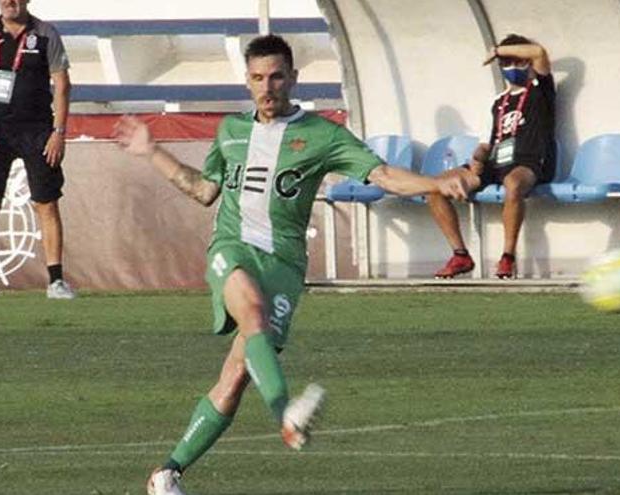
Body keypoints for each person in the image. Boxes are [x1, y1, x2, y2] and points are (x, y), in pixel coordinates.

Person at [113, 34, 469, 495]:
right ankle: (285, 415)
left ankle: (166, 474)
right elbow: (204, 191)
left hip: (283, 264)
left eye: (277, 76)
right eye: (258, 77)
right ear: (247, 80)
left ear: (293, 79)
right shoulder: (231, 131)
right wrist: (152, 151)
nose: (268, 87)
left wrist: (435, 182)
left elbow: (381, 175)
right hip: (232, 248)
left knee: (235, 378)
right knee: (252, 311)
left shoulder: (323, 135)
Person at [0, 0, 74, 299]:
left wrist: (58, 132)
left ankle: (55, 281)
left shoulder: (47, 34)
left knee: (47, 203)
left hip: (38, 130)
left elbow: (62, 84)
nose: (9, 2)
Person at [427, 34, 556, 279]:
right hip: (495, 163)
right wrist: (477, 157)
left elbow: (539, 52)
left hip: (527, 161)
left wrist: (497, 50)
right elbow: (487, 143)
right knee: (435, 187)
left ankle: (507, 257)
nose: (513, 68)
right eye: (507, 63)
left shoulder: (540, 91)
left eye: (518, 61)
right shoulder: (499, 102)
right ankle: (460, 255)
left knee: (513, 184)